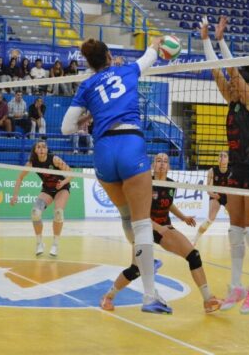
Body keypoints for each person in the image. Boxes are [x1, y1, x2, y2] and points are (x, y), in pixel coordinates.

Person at [61, 37, 170, 314]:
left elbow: (66, 128)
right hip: (129, 142)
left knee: (126, 216)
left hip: (103, 151)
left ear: (89, 62)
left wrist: (89, 118)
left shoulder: (86, 85)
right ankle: (150, 295)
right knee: (142, 222)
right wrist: (155, 43)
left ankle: (142, 257)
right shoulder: (127, 70)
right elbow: (151, 56)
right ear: (109, 55)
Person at [200, 16, 249, 314]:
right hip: (236, 170)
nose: (231, 82)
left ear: (246, 81)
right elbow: (217, 70)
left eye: (237, 78)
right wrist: (207, 39)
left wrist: (221, 40)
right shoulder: (233, 100)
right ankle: (236, 286)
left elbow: (230, 70)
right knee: (235, 230)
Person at [100, 153, 222, 314]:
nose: (162, 164)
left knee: (194, 256)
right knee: (136, 269)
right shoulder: (145, 183)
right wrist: (158, 228)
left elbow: (169, 204)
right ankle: (108, 297)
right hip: (143, 227)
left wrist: (183, 217)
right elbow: (137, 213)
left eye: (165, 161)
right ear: (152, 165)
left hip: (163, 228)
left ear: (169, 166)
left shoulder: (171, 184)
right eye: (158, 161)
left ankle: (208, 300)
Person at [11, 140, 72, 257]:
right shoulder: (32, 163)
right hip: (47, 190)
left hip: (62, 188)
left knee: (58, 213)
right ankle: (39, 243)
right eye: (39, 147)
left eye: (44, 147)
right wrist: (15, 195)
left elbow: (71, 173)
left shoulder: (55, 159)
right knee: (35, 213)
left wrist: (63, 182)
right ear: (35, 150)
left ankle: (55, 244)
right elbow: (20, 178)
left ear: (47, 149)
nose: (42, 149)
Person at [192, 151, 230, 246]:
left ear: (228, 159)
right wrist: (214, 195)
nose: (222, 157)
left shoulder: (231, 171)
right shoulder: (212, 171)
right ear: (217, 159)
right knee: (210, 219)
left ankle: (233, 243)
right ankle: (195, 240)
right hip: (215, 195)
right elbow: (209, 190)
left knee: (235, 219)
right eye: (220, 156)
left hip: (228, 196)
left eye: (225, 156)